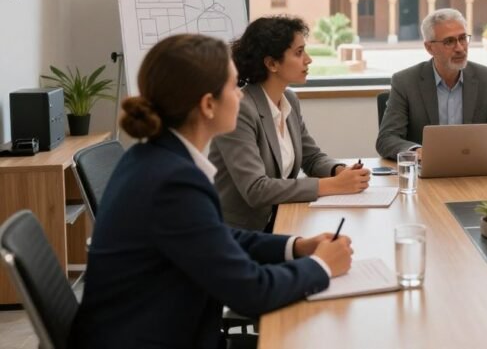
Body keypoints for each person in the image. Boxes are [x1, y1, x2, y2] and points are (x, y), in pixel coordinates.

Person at [71, 34, 352, 349]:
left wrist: (296, 246)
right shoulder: (173, 182)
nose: (242, 97)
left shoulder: (153, 157)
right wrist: (322, 266)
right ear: (207, 105)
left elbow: (218, 237)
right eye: (233, 87)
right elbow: (251, 293)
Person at [209, 16, 370, 230]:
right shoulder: (241, 110)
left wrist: (339, 171)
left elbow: (311, 157)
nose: (308, 60)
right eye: (299, 52)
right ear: (272, 63)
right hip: (241, 233)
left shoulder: (289, 100)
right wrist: (331, 185)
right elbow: (256, 189)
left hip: (282, 219)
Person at [375, 8, 487, 160]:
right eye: (449, 41)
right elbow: (386, 139)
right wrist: (418, 152)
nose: (459, 48)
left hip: (476, 170)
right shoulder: (405, 82)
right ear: (429, 47)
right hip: (426, 174)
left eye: (463, 38)